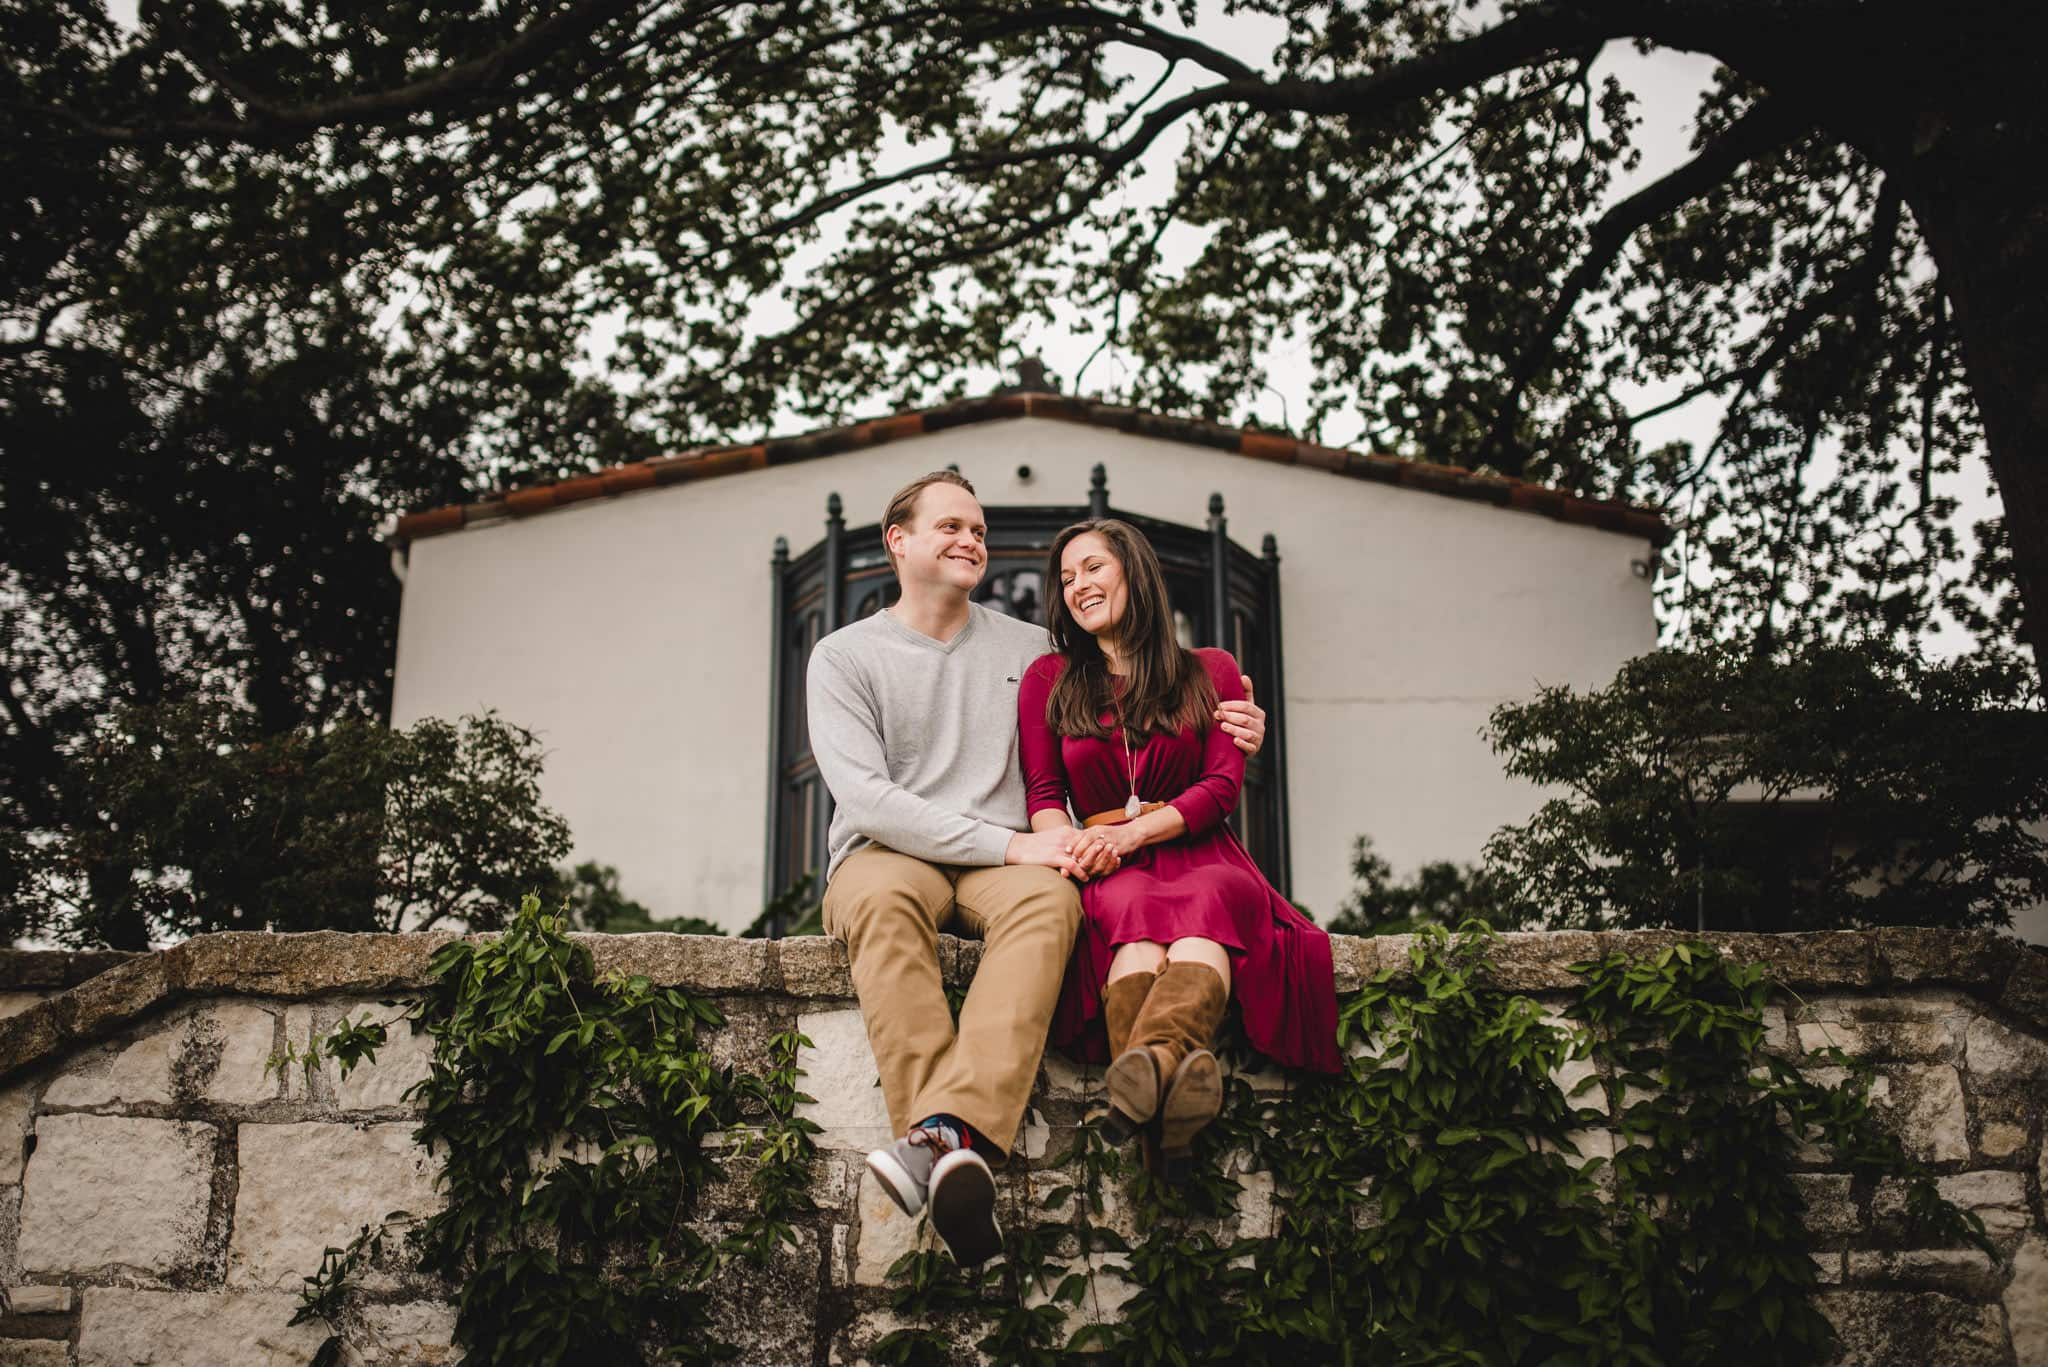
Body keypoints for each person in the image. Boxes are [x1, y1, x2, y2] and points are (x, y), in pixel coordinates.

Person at [805, 472, 1268, 1265]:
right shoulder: (844, 655)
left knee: (1053, 907)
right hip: (891, 854)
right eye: (951, 525)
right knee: (882, 905)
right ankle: (952, 1143)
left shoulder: (1033, 650)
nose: (971, 541)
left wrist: (1232, 709)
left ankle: (931, 1143)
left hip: (1007, 858)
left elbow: (1138, 684)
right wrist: (1019, 845)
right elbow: (869, 800)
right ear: (898, 542)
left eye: (980, 530)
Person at [1018, 518, 1341, 1173]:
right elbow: (1044, 796)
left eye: (1093, 568)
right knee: (1133, 923)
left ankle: (1149, 1087)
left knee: (1210, 907)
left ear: (1134, 572)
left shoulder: (1213, 670)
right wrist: (1078, 851)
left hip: (1202, 848)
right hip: (1105, 859)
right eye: (1067, 576)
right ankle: (1172, 1109)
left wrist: (1133, 832)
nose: (1078, 585)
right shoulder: (1047, 678)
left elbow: (1222, 786)